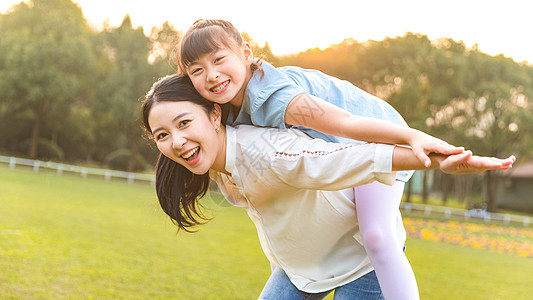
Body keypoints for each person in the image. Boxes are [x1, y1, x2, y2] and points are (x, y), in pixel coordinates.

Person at [141, 74, 515, 299]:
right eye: (162, 134)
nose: (176, 141)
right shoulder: (218, 165)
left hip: (358, 265)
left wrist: (436, 160)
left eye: (184, 123)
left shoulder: (267, 150)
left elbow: (345, 156)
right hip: (300, 270)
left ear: (214, 113)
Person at [175, 19, 464, 299]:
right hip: (337, 153)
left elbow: (346, 124)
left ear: (246, 53)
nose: (211, 74)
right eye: (197, 70)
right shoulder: (224, 107)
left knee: (376, 236)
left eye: (219, 59)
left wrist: (412, 137)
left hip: (375, 139)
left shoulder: (274, 97)